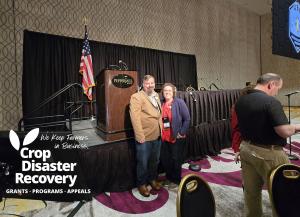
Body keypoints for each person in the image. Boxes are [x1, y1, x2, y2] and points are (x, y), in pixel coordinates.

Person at [235, 73, 300, 217]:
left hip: (246, 149)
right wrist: (296, 127)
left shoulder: (241, 101)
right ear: (271, 85)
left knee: (251, 193)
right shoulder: (271, 102)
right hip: (269, 154)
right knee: (283, 193)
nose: (277, 92)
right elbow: (283, 131)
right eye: (278, 88)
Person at [129, 75, 162, 197]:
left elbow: (158, 114)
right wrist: (139, 135)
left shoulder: (156, 95)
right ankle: (141, 184)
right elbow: (135, 118)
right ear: (143, 84)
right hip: (144, 136)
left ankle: (152, 179)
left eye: (152, 83)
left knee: (155, 160)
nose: (150, 85)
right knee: (142, 162)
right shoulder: (136, 97)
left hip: (158, 134)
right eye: (147, 83)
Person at [160, 83, 190, 189]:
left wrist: (181, 132)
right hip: (164, 137)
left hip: (176, 137)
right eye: (165, 90)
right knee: (166, 159)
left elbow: (187, 119)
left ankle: (176, 180)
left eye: (169, 90)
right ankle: (169, 177)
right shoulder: (161, 103)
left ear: (173, 92)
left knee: (176, 159)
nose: (167, 92)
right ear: (162, 92)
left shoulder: (179, 102)